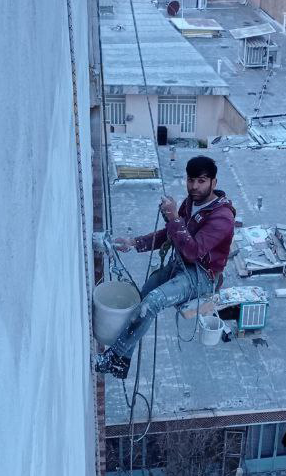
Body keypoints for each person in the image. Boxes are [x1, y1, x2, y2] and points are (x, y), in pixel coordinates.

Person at [95, 155, 236, 380]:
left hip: (202, 276)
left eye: (201, 181)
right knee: (140, 299)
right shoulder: (191, 203)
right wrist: (134, 242)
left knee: (152, 302)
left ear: (214, 182)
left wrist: (173, 217)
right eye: (191, 180)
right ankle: (122, 361)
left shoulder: (222, 218)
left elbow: (192, 251)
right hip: (180, 265)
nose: (194, 186)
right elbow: (170, 234)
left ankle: (114, 357)